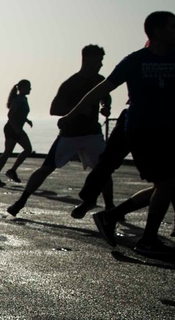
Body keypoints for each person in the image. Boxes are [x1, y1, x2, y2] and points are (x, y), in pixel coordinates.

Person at [59, 13, 175, 255]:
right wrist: (70, 115)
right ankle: (145, 239)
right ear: (156, 31)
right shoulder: (136, 60)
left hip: (167, 129)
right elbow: (103, 88)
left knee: (166, 184)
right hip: (141, 130)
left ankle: (112, 217)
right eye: (172, 27)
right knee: (167, 182)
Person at [7, 46, 111, 218]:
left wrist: (106, 107)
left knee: (104, 170)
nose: (101, 64)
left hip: (92, 134)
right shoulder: (71, 84)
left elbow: (105, 97)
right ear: (88, 60)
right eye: (99, 60)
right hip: (70, 134)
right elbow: (54, 109)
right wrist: (77, 110)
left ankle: (110, 208)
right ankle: (21, 201)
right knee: (46, 168)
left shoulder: (100, 80)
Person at [0, 80, 33, 186]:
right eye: (28, 87)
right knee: (9, 152)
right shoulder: (18, 100)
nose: (30, 89)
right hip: (12, 129)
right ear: (21, 88)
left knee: (26, 149)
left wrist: (26, 120)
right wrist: (16, 128)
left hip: (17, 129)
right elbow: (10, 115)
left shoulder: (24, 99)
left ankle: (11, 171)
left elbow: (20, 113)